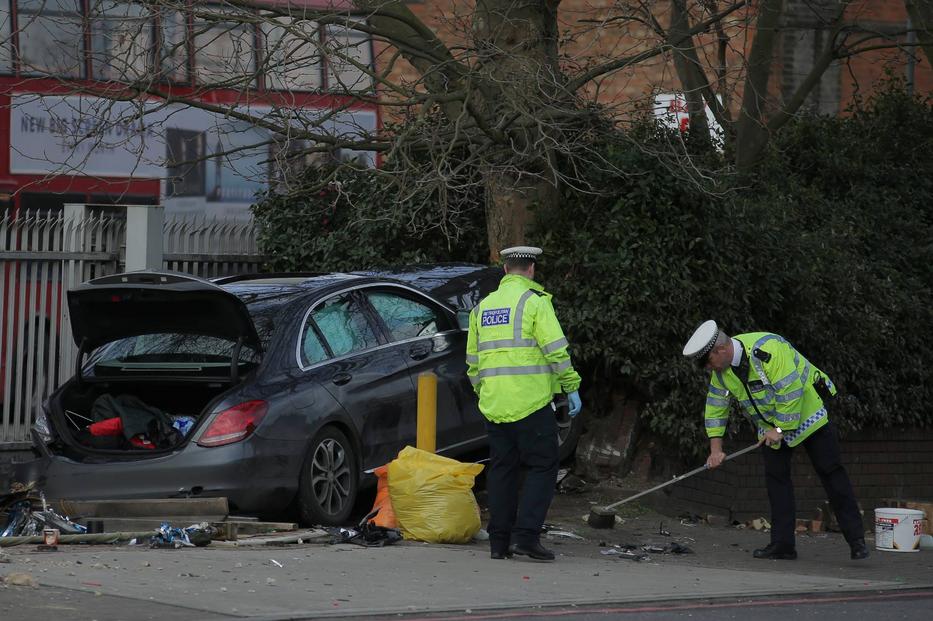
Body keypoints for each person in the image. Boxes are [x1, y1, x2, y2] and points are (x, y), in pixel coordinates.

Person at [682, 320, 869, 560]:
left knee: (831, 473)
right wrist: (715, 449)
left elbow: (790, 392)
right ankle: (783, 545)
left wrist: (780, 429)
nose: (709, 369)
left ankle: (857, 540)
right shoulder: (722, 372)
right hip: (771, 426)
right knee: (776, 482)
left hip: (808, 413)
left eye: (708, 362)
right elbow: (716, 407)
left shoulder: (767, 349)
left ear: (720, 350)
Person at [466, 246, 582, 561]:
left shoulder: (482, 309)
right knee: (543, 466)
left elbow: (473, 365)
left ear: (505, 270)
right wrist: (570, 386)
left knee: (502, 470)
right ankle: (526, 537)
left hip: (494, 406)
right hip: (531, 404)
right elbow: (556, 350)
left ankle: (498, 543)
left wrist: (485, 394)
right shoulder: (535, 303)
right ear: (531, 270)